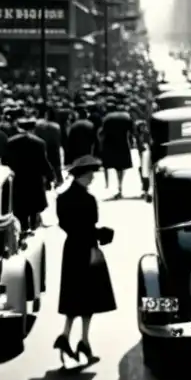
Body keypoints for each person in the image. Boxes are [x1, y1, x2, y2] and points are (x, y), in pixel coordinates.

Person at [54, 156, 116, 367]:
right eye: (90, 175)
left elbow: (67, 226)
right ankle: (84, 341)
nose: (92, 179)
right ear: (83, 175)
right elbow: (91, 226)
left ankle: (66, 335)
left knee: (73, 294)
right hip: (87, 248)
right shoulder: (88, 200)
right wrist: (103, 235)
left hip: (71, 248)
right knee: (90, 296)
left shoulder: (61, 198)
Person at [5, 117, 52, 231]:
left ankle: (23, 229)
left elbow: (6, 162)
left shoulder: (10, 142)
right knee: (34, 207)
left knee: (21, 209)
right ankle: (33, 226)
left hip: (18, 180)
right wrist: (50, 176)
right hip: (34, 179)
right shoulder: (39, 142)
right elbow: (43, 162)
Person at [99, 105, 134, 199]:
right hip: (122, 143)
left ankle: (108, 184)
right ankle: (120, 185)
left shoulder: (107, 118)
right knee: (121, 167)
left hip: (110, 144)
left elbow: (102, 132)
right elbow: (131, 132)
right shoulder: (126, 117)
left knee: (111, 167)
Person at [35, 110, 64, 188]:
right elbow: (58, 138)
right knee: (56, 163)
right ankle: (59, 179)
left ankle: (47, 180)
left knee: (45, 162)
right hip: (54, 146)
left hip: (43, 145)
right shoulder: (56, 126)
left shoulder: (39, 124)